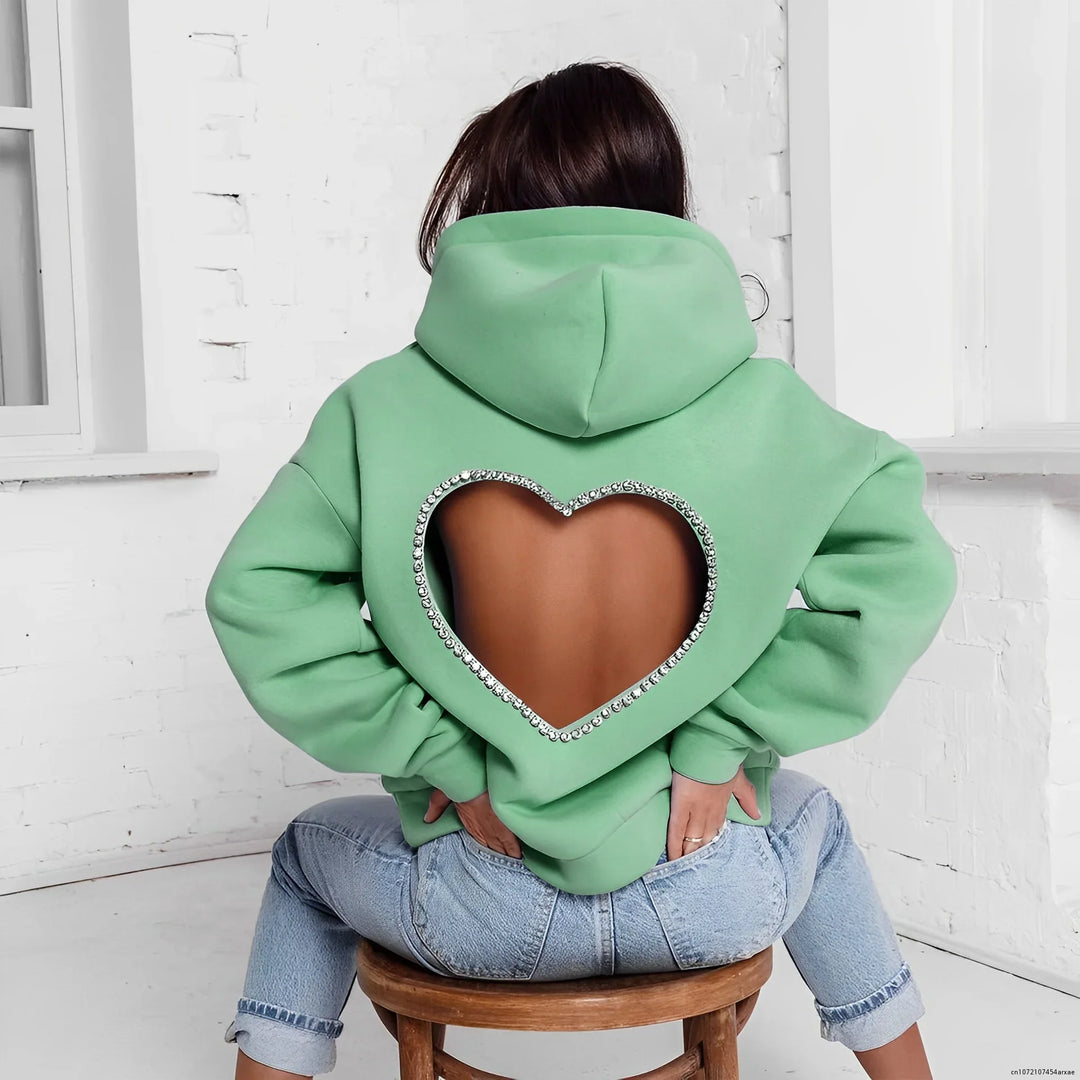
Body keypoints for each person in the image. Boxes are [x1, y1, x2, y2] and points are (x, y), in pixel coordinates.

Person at [204, 61, 957, 1080]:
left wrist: (448, 764)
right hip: (707, 889)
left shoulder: (382, 407)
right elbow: (904, 572)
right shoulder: (771, 410)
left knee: (306, 854)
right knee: (814, 821)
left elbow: (259, 597)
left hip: (479, 894)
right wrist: (719, 739)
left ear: (491, 204)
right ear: (667, 205)